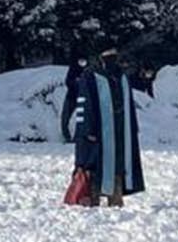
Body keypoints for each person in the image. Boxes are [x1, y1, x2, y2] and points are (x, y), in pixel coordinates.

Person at [73, 47, 145, 206]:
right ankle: (91, 199)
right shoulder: (91, 76)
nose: (112, 57)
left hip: (119, 132)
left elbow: (129, 107)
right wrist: (87, 130)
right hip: (96, 134)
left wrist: (132, 128)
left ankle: (116, 198)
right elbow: (83, 105)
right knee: (95, 166)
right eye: (107, 54)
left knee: (118, 166)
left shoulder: (121, 77)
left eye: (113, 53)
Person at [60, 54, 87, 143]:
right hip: (71, 96)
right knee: (65, 118)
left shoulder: (88, 70)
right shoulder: (73, 68)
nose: (82, 63)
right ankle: (67, 137)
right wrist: (76, 83)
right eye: (80, 61)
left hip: (82, 98)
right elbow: (68, 81)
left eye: (84, 61)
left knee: (81, 120)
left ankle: (77, 138)